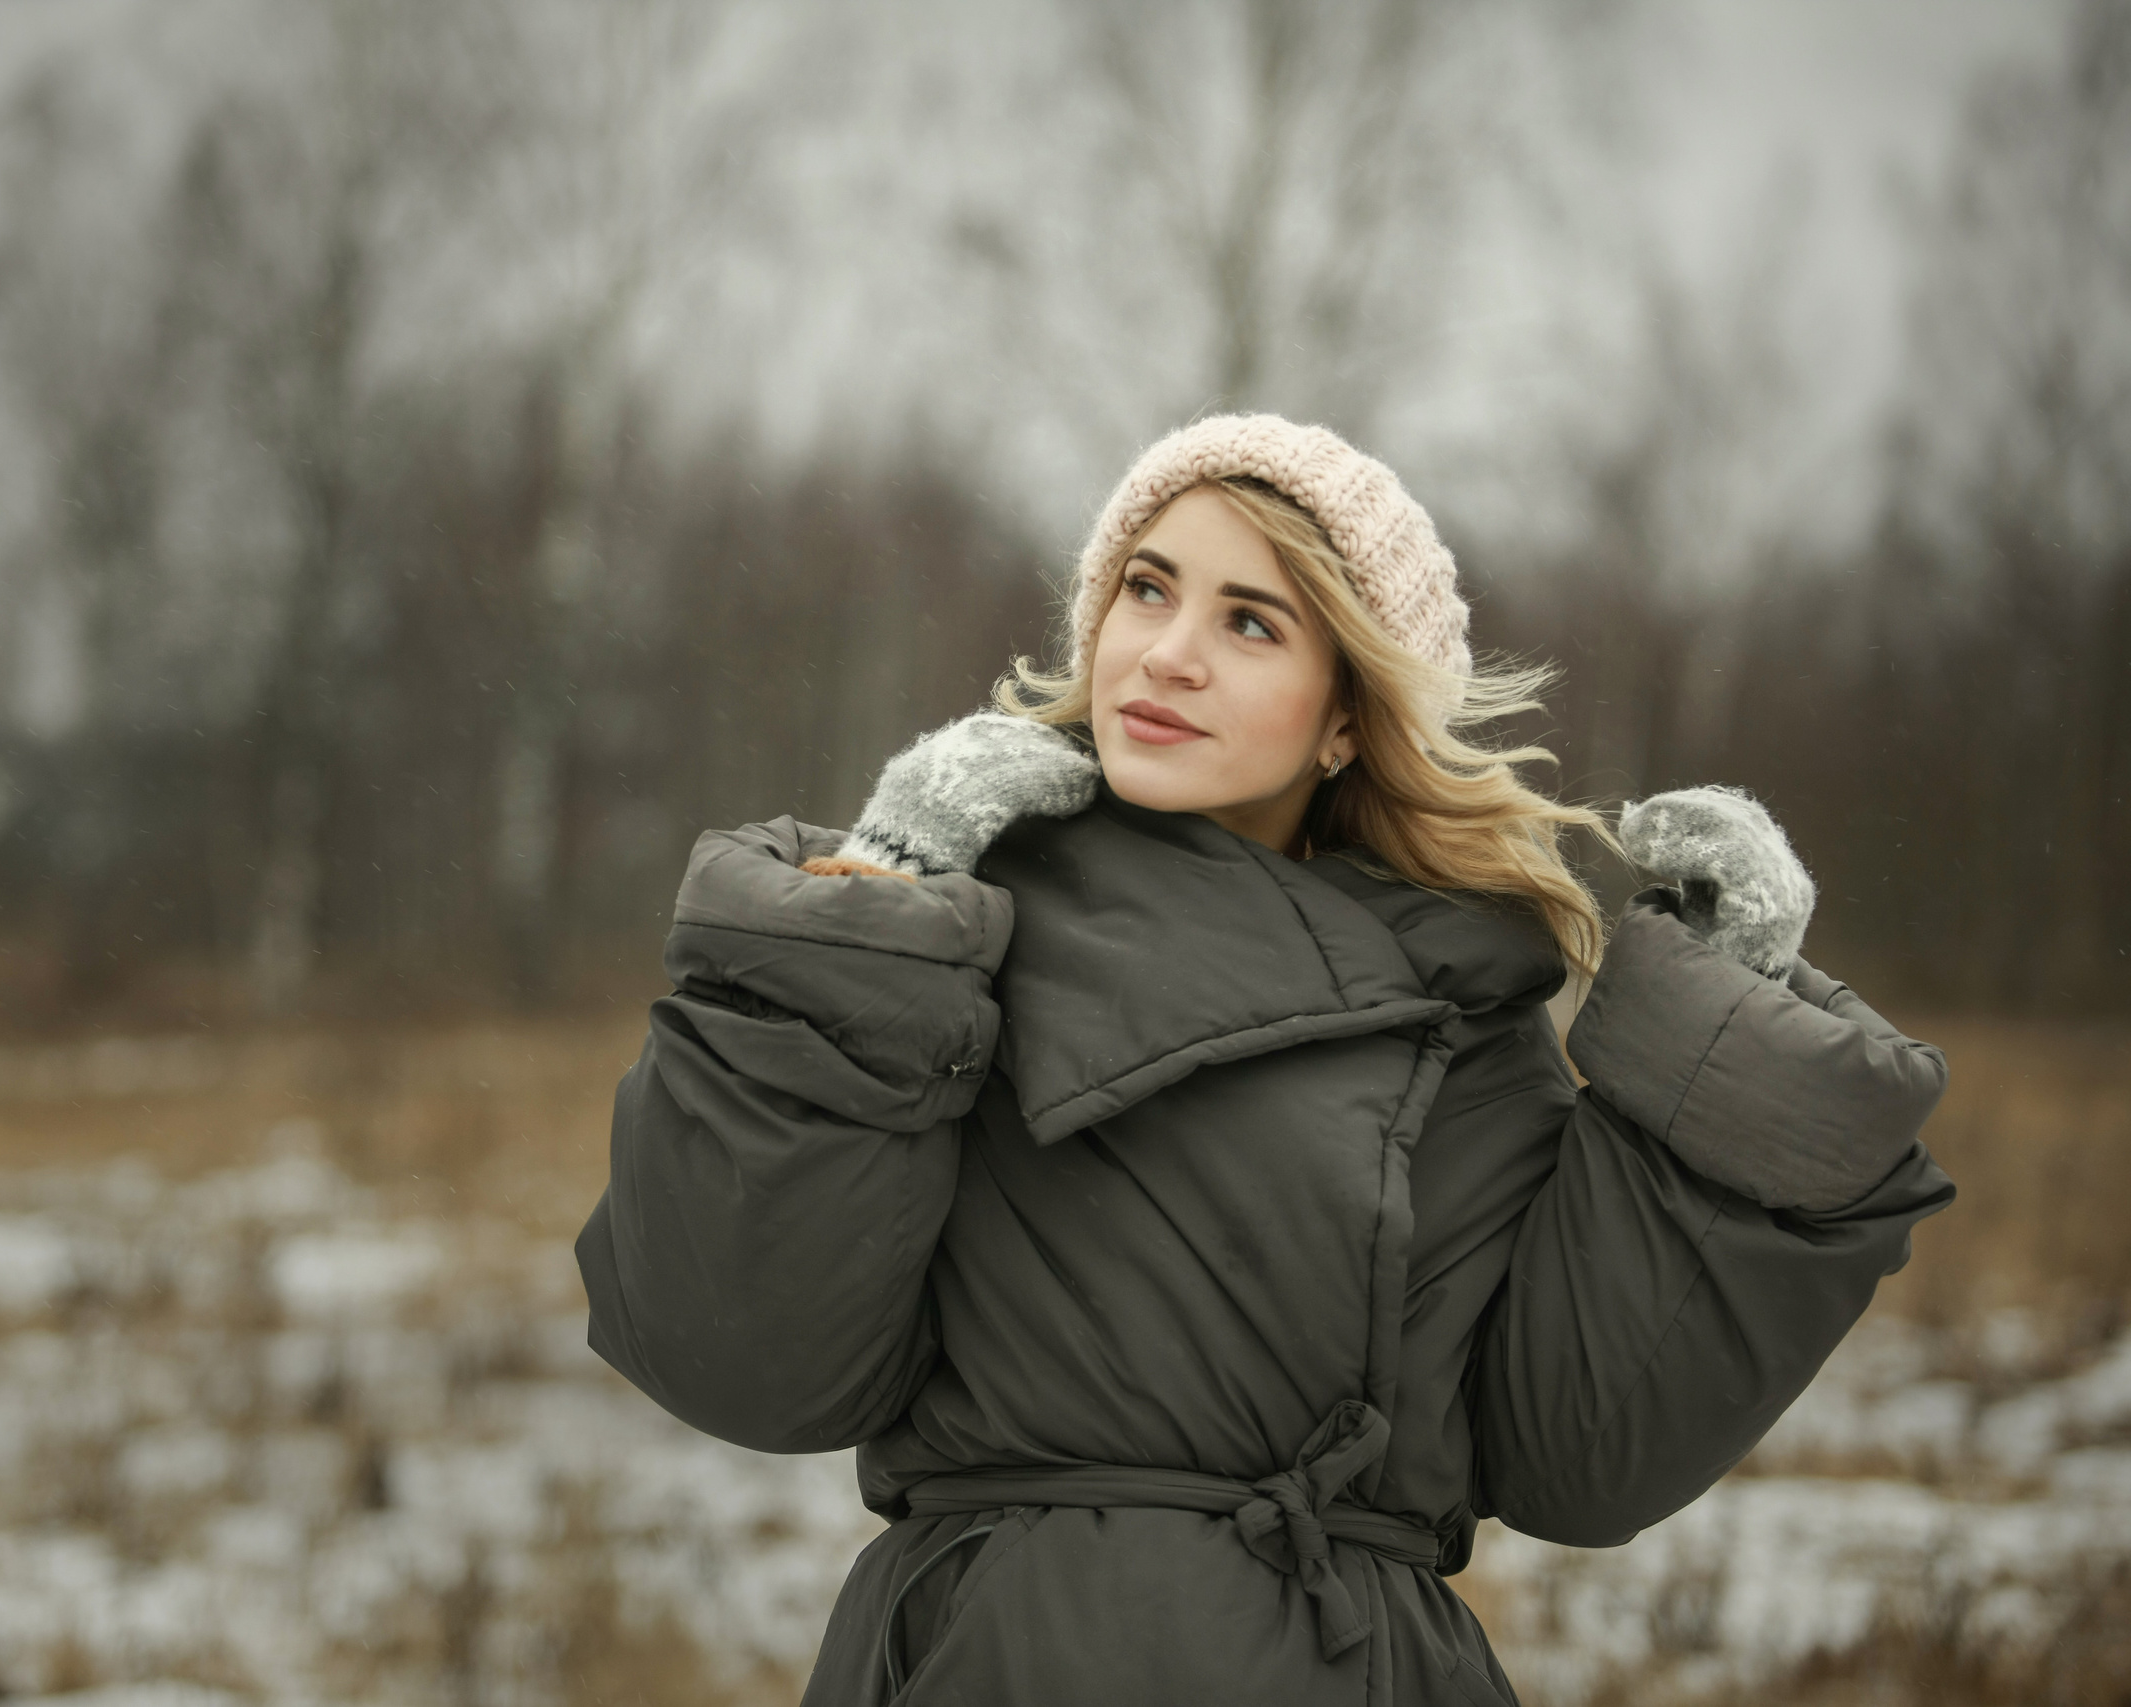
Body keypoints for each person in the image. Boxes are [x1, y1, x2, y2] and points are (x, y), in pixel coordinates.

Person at [575, 414, 1953, 1707]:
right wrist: (876, 896)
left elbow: (1580, 1458)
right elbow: (741, 1358)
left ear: (1349, 715)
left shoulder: (1466, 1009)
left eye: (1250, 621)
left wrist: (1734, 1014)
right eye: (1147, 590)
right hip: (998, 1655)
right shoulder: (949, 946)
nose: (1169, 654)